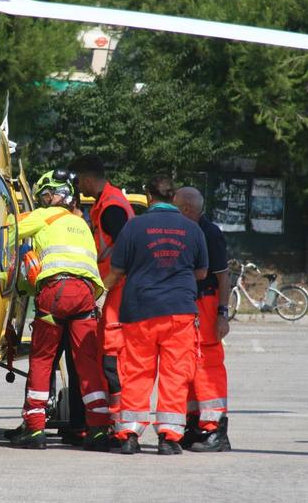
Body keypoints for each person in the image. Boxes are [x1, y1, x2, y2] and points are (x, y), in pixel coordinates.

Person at [104, 175, 208, 455]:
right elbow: (202, 272)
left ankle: (129, 435)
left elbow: (117, 271)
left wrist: (102, 291)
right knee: (175, 374)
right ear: (174, 198)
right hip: (179, 311)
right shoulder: (192, 229)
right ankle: (169, 438)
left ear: (149, 197)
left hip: (140, 310)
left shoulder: (133, 227)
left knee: (136, 372)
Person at [10, 169, 110, 451]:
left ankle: (34, 428)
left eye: (45, 195)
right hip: (86, 296)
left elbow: (6, 226)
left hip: (57, 292)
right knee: (86, 362)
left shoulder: (45, 216)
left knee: (42, 359)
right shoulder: (82, 224)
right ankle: (98, 429)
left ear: (56, 194)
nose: (43, 200)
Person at [69, 154, 135, 437]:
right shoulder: (107, 203)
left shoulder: (111, 208)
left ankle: (112, 423)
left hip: (116, 291)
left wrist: (103, 288)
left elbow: (125, 250)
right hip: (113, 289)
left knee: (111, 358)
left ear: (86, 179)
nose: (78, 188)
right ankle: (106, 421)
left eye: (79, 182)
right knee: (106, 357)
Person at [173, 186, 232, 452]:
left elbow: (222, 278)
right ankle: (195, 424)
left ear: (187, 209)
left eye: (176, 207)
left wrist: (222, 314)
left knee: (208, 366)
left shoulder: (210, 234)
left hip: (206, 303)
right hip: (191, 303)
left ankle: (216, 431)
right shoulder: (188, 231)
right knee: (189, 365)